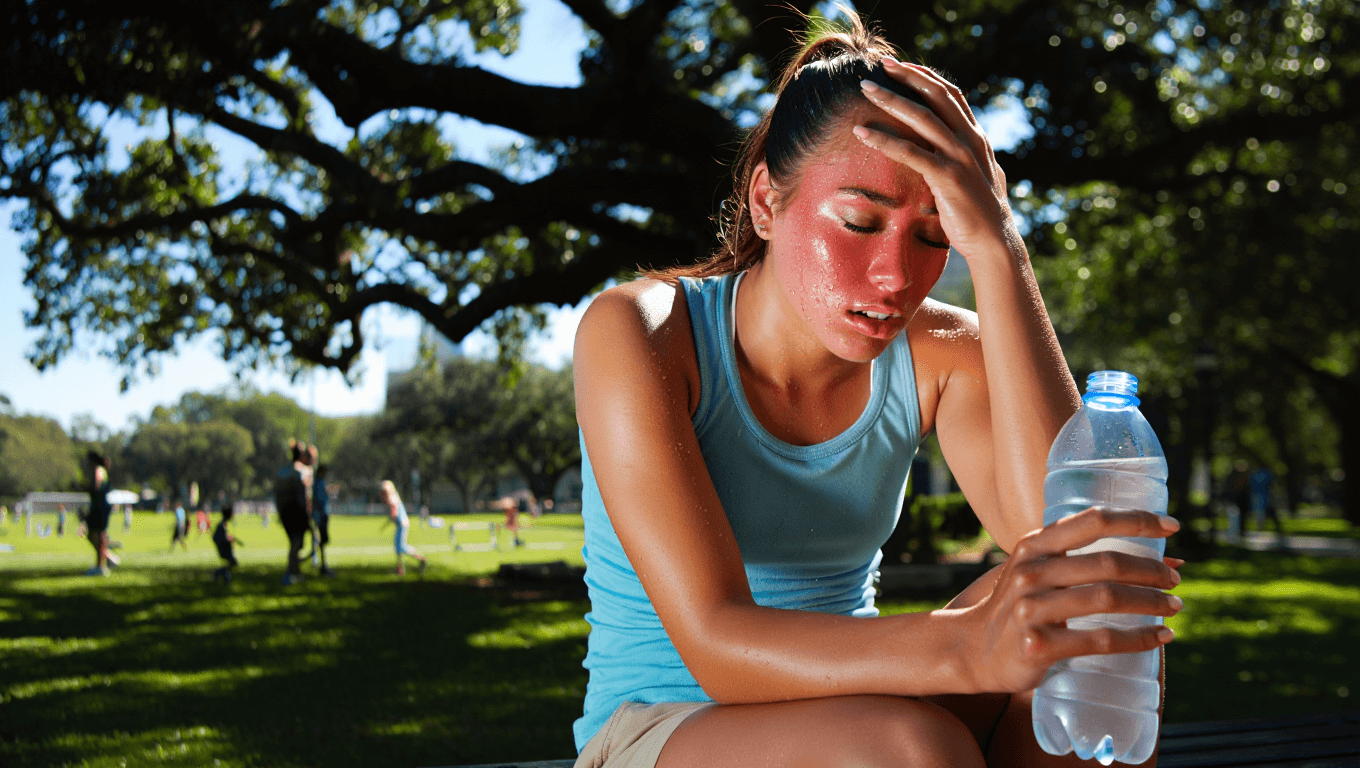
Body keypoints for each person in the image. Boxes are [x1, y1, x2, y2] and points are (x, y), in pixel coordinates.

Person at [569, 15, 1184, 768]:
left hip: (857, 713)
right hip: (661, 726)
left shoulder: (943, 349)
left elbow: (1066, 539)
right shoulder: (642, 333)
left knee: (1088, 611)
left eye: (933, 236)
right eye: (860, 222)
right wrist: (966, 648)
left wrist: (998, 245)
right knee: (909, 747)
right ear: (765, 202)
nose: (894, 276)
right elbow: (717, 643)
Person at [274, 440, 315, 585]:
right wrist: (307, 514)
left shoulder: (282, 471)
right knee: (297, 544)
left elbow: (277, 495)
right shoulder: (303, 471)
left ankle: (295, 572)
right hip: (297, 512)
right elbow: (304, 497)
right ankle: (290, 573)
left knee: (294, 543)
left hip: (285, 512)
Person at [84, 451, 121, 575]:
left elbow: (95, 486)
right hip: (98, 506)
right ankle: (108, 558)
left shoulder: (98, 470)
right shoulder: (100, 470)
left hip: (100, 507)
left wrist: (83, 487)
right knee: (92, 535)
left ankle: (100, 566)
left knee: (99, 536)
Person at [379, 480, 426, 576]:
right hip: (401, 524)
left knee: (402, 547)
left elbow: (394, 513)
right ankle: (400, 569)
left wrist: (389, 521)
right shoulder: (394, 496)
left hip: (402, 524)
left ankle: (421, 559)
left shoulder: (391, 499)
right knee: (398, 547)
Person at [311, 463, 334, 576]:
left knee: (319, 540)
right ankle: (322, 565)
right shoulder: (319, 482)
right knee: (321, 540)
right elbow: (320, 500)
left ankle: (320, 563)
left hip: (319, 514)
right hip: (321, 515)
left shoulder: (318, 482)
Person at [212, 502, 242, 582]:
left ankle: (224, 575)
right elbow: (219, 538)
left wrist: (232, 539)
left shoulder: (223, 524)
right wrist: (228, 540)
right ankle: (220, 572)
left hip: (225, 548)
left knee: (232, 563)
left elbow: (222, 536)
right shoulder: (221, 525)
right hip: (224, 549)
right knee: (233, 562)